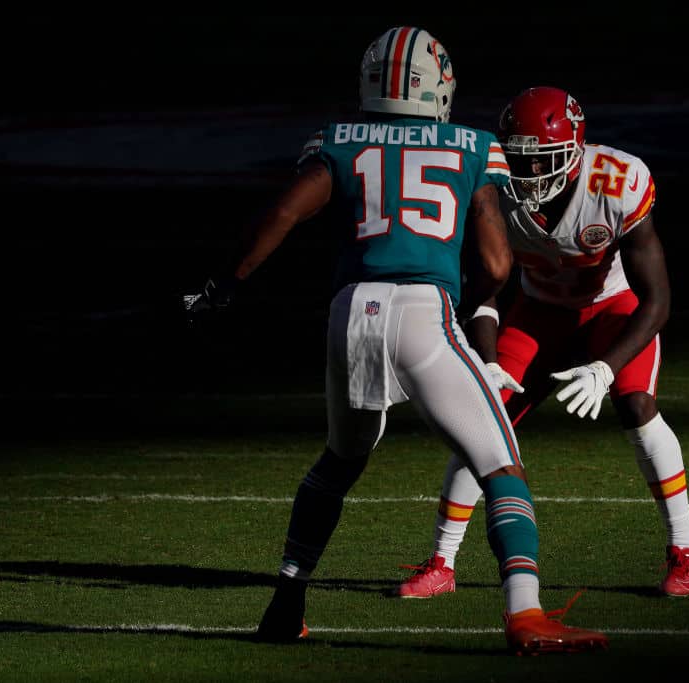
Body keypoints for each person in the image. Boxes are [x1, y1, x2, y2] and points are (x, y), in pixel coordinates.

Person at [184, 31, 607, 655]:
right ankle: (525, 614)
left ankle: (286, 603)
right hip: (420, 310)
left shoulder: (338, 140)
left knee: (340, 460)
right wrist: (466, 294)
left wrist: (225, 283)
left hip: (349, 312)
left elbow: (283, 214)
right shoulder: (473, 147)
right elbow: (494, 261)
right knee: (500, 463)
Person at [397, 86, 689, 600]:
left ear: (575, 152)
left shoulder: (617, 182)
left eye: (541, 160)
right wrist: (490, 363)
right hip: (539, 311)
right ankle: (442, 562)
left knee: (636, 403)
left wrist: (605, 368)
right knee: (482, 418)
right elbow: (485, 288)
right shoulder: (492, 188)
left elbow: (656, 300)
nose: (528, 174)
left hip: (613, 307)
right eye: (518, 160)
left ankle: (687, 548)